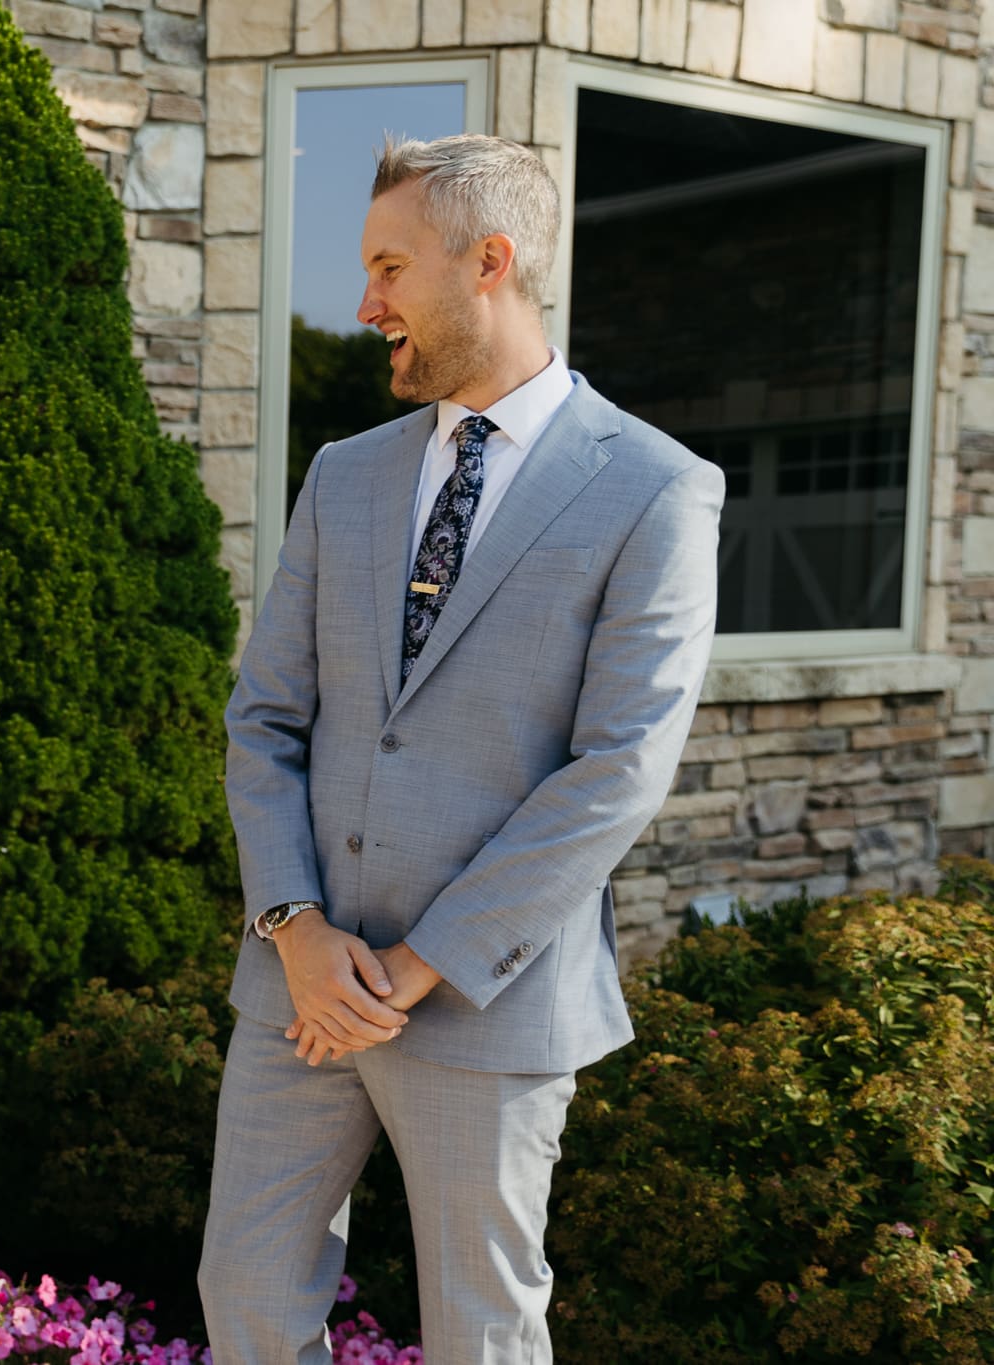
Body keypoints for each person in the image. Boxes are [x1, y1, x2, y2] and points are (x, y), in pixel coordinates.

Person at [198, 134, 723, 1364]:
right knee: (246, 1300)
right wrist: (298, 930)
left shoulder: (654, 488)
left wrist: (416, 967)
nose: (365, 305)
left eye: (388, 267)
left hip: (487, 999)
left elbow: (614, 773)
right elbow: (265, 717)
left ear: (487, 262)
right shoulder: (342, 475)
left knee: (482, 1335)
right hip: (298, 989)